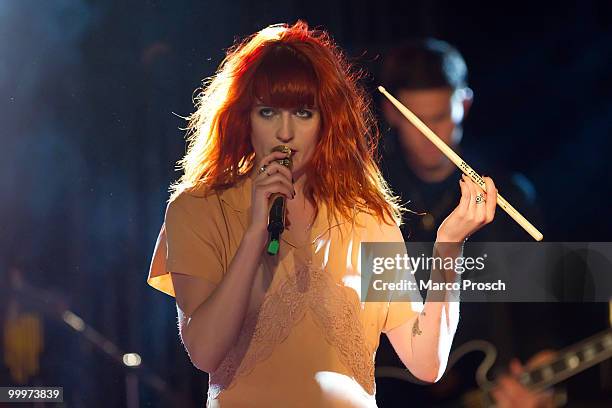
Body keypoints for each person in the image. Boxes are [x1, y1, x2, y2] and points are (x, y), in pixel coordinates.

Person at [147, 22, 497, 407]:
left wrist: (449, 247)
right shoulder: (198, 208)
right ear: (244, 117)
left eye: (302, 112)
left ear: (327, 119)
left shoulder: (365, 215)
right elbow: (205, 352)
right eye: (267, 112)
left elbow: (426, 363)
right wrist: (253, 238)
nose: (284, 132)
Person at [378, 39, 555, 407]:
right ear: (392, 113)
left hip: (490, 393)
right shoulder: (367, 197)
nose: (430, 136)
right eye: (417, 121)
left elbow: (539, 312)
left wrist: (542, 378)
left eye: (441, 117)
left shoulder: (510, 194)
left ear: (465, 103)